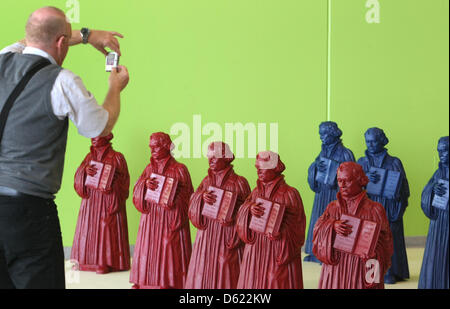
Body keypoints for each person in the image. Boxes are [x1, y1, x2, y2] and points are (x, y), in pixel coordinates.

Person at [0, 6, 129, 289]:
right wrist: (114, 88)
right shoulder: (62, 81)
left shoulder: (3, 58)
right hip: (27, 210)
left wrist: (87, 36)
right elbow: (100, 126)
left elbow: (34, 41)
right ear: (61, 43)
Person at [313, 162, 393, 289]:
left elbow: (386, 246)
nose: (342, 185)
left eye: (347, 180)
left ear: (359, 180)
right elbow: (318, 230)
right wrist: (332, 226)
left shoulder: (375, 210)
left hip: (360, 268)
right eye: (339, 180)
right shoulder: (333, 208)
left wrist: (373, 254)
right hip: (336, 267)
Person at [130, 132, 194, 289]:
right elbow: (137, 191)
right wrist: (144, 185)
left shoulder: (179, 169)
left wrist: (174, 199)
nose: (153, 150)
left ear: (167, 146)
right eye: (151, 147)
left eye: (156, 146)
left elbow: (189, 197)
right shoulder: (148, 168)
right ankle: (143, 281)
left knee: (168, 248)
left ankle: (168, 282)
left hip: (169, 218)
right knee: (146, 247)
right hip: (151, 217)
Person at [185, 142, 251, 289]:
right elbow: (192, 202)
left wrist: (234, 210)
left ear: (226, 157)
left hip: (227, 235)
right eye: (209, 157)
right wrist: (201, 197)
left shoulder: (239, 182)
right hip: (207, 234)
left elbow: (248, 212)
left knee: (227, 269)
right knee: (203, 265)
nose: (210, 161)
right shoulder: (206, 181)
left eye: (215, 157)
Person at [236, 151, 306, 289]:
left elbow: (298, 227)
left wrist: (281, 230)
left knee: (275, 280)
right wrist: (249, 209)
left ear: (275, 168)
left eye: (263, 168)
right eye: (257, 168)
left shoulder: (290, 194)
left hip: (276, 250)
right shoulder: (256, 192)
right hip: (256, 249)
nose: (259, 171)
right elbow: (242, 212)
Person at [71, 133, 131, 274]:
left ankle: (105, 262)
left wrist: (113, 181)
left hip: (107, 200)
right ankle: (86, 260)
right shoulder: (89, 157)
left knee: (106, 228)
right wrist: (84, 172)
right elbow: (78, 177)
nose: (94, 136)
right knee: (87, 228)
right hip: (91, 201)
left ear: (107, 136)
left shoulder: (117, 157)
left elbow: (125, 183)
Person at [357, 128, 410, 284]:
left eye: (374, 141)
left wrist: (397, 194)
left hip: (389, 207)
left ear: (382, 140)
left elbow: (404, 187)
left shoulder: (394, 162)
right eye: (368, 141)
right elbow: (350, 185)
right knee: (369, 239)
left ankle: (390, 272)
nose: (371, 144)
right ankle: (369, 272)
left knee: (389, 239)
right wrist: (364, 178)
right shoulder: (362, 162)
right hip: (369, 207)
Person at [304, 121, 355, 263]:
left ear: (333, 134)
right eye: (320, 134)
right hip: (322, 193)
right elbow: (314, 168)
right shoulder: (323, 151)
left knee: (334, 220)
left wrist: (336, 169)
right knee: (319, 219)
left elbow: (351, 172)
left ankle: (330, 251)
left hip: (336, 194)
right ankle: (316, 252)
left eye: (325, 134)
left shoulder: (345, 153)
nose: (322, 137)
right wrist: (315, 166)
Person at [418, 136, 449, 289]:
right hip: (439, 223)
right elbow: (426, 192)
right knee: (436, 255)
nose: (441, 154)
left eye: (445, 151)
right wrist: (433, 190)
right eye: (439, 151)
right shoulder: (439, 172)